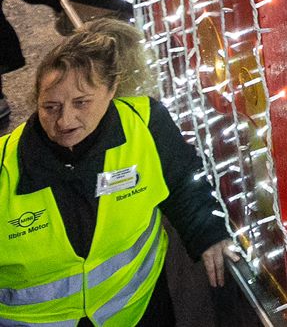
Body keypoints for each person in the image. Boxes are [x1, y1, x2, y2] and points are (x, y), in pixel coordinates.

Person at [0, 21, 234, 326]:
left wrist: (207, 232)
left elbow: (182, 181)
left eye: (81, 102)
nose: (65, 120)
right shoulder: (5, 167)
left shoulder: (146, 124)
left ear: (112, 90)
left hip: (139, 312)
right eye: (51, 107)